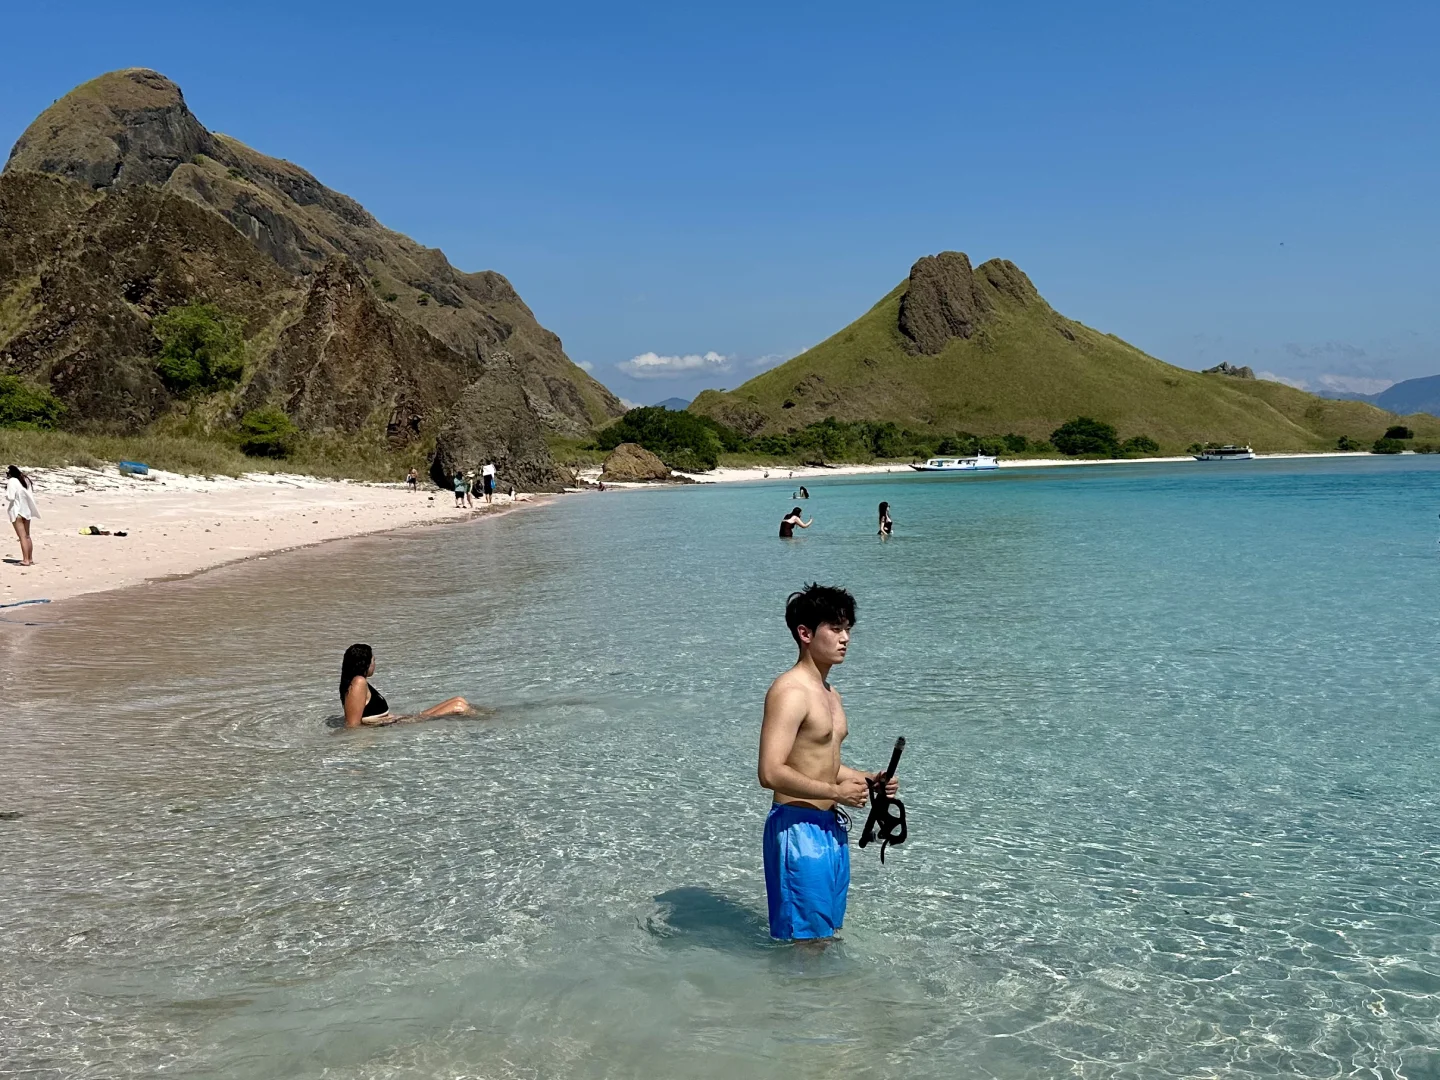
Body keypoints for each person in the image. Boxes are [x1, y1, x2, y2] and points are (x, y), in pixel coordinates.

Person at [757, 584, 897, 941]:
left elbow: (820, 763)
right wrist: (835, 791)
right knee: (803, 943)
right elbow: (770, 772)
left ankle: (823, 999)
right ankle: (797, 997)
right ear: (805, 633)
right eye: (835, 629)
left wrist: (869, 780)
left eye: (847, 628)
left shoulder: (830, 693)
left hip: (829, 827)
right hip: (797, 829)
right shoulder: (790, 691)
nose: (845, 637)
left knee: (827, 933)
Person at [338, 643, 474, 728]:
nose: (375, 664)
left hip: (396, 720)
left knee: (459, 700)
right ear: (365, 663)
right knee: (459, 707)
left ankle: (487, 715)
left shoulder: (358, 681)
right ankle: (487, 721)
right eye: (374, 660)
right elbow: (352, 725)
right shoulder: (358, 682)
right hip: (394, 725)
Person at [5, 465, 39, 566]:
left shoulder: (12, 481)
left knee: (22, 537)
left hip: (17, 511)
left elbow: (10, 497)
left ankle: (25, 560)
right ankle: (30, 558)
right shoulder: (25, 479)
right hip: (27, 510)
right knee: (27, 536)